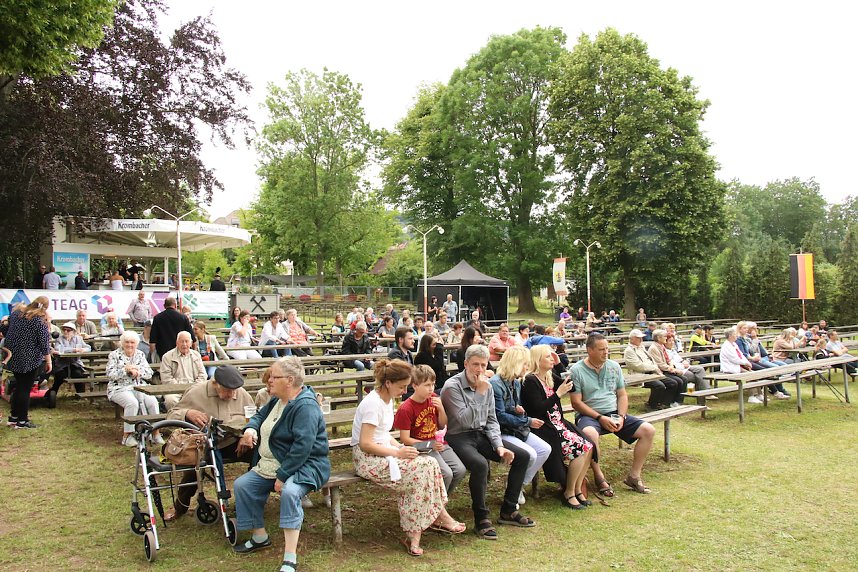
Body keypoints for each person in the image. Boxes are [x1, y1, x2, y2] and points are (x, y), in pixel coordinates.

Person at [353, 359, 465, 556]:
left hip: (383, 450)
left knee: (429, 463)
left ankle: (433, 518)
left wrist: (401, 447)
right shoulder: (373, 403)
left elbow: (383, 434)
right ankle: (423, 528)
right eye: (402, 386)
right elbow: (366, 443)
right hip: (367, 458)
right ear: (388, 383)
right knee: (419, 472)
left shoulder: (386, 399)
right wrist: (398, 452)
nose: (404, 391)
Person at [233, 358, 331, 571]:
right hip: (275, 462)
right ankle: (260, 537)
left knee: (290, 492)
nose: (269, 380)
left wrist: (283, 475)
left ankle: (290, 556)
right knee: (243, 486)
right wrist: (250, 429)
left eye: (274, 377)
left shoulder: (305, 406)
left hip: (308, 464)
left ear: (289, 380)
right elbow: (259, 416)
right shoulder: (278, 399)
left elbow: (302, 447)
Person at [441, 344, 534, 539]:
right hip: (458, 436)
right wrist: (479, 393)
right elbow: (463, 420)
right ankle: (481, 518)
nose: (480, 370)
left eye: (484, 365)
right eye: (475, 364)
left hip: (480, 434)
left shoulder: (487, 386)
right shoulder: (452, 387)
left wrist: (499, 446)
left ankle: (509, 510)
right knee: (480, 465)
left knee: (522, 456)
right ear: (465, 364)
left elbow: (491, 420)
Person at [164, 364, 256, 521]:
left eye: (234, 390)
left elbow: (253, 417)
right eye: (227, 390)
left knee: (260, 453)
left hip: (233, 441)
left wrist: (246, 434)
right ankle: (181, 506)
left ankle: (252, 498)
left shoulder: (241, 393)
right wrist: (187, 413)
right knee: (195, 467)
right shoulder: (197, 391)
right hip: (204, 444)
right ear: (215, 384)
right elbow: (172, 414)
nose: (232, 394)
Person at [569, 334, 656, 496]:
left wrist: (621, 417)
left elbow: (622, 395)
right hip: (589, 416)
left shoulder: (614, 367)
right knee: (590, 434)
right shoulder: (576, 370)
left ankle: (634, 476)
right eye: (601, 349)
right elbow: (576, 403)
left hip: (614, 414)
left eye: (607, 348)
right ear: (589, 350)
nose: (606, 352)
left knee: (648, 430)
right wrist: (600, 418)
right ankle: (598, 475)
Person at [521, 345, 594, 509]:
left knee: (589, 447)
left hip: (558, 423)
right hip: (544, 427)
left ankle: (576, 488)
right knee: (581, 448)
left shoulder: (548, 375)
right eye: (548, 357)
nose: (551, 359)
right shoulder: (530, 380)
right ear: (537, 360)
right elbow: (537, 409)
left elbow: (572, 386)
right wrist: (558, 394)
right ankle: (568, 492)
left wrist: (559, 364)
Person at [489, 346, 552, 507]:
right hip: (501, 432)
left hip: (516, 429)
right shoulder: (495, 384)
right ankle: (513, 490)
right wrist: (528, 421)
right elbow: (499, 417)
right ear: (516, 363)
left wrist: (518, 410)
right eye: (525, 364)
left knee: (544, 449)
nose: (527, 367)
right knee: (530, 454)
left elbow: (512, 408)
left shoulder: (516, 383)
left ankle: (518, 485)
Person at [393, 364, 466, 494]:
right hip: (422, 448)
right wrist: (430, 444)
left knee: (460, 470)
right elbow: (405, 439)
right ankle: (436, 506)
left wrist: (441, 409)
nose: (431, 388)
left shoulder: (433, 399)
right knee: (447, 474)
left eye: (432, 384)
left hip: (438, 443)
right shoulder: (406, 408)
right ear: (414, 385)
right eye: (426, 385)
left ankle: (440, 501)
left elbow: (442, 425)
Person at [3, 297, 51, 429]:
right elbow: (44, 342)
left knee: (19, 386)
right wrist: (49, 360)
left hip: (13, 355)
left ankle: (13, 417)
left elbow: (5, 328)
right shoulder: (39, 320)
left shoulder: (17, 314)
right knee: (25, 388)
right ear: (45, 307)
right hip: (29, 358)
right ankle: (22, 420)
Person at [106, 331, 161, 446]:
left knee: (152, 401)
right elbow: (110, 374)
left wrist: (137, 371)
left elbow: (149, 373)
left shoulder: (140, 354)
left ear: (136, 344)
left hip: (139, 386)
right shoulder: (114, 355)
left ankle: (156, 433)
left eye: (132, 342)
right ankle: (127, 435)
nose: (129, 345)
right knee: (132, 403)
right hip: (119, 388)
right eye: (127, 342)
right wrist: (125, 370)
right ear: (122, 343)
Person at [624, 329, 685, 410]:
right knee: (660, 385)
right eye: (638, 338)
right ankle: (652, 405)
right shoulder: (629, 350)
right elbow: (638, 366)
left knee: (672, 382)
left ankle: (665, 403)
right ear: (632, 339)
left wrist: (655, 368)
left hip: (652, 372)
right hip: (639, 374)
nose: (641, 340)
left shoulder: (641, 347)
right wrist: (654, 368)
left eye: (641, 338)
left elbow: (651, 360)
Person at [160, 331, 208, 408]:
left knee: (205, 399)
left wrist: (194, 387)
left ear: (191, 343)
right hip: (174, 390)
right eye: (182, 341)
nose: (184, 344)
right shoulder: (167, 356)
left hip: (194, 388)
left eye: (187, 341)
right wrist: (181, 388)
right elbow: (166, 378)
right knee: (170, 400)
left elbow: (203, 375)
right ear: (177, 343)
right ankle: (175, 419)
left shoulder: (196, 355)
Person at [50, 321, 91, 398]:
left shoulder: (78, 338)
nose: (66, 332)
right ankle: (52, 394)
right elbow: (59, 349)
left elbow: (88, 347)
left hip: (75, 363)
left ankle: (81, 395)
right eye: (64, 330)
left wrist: (83, 350)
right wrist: (73, 350)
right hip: (62, 364)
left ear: (73, 331)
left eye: (68, 330)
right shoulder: (60, 339)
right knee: (60, 376)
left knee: (78, 374)